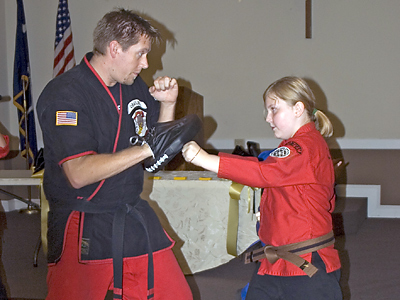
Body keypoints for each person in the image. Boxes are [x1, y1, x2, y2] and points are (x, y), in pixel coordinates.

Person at [37, 9, 192, 300]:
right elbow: (79, 173)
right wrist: (148, 148)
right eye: (140, 54)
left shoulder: (135, 89)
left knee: (175, 295)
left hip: (130, 213)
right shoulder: (66, 93)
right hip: (82, 219)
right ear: (114, 48)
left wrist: (168, 105)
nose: (146, 63)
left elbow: (154, 158)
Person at [182, 76, 342, 300]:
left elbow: (264, 173)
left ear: (298, 109)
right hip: (278, 260)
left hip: (306, 264)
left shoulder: (304, 146)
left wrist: (205, 159)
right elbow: (278, 177)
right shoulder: (297, 146)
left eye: (273, 109)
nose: (268, 118)